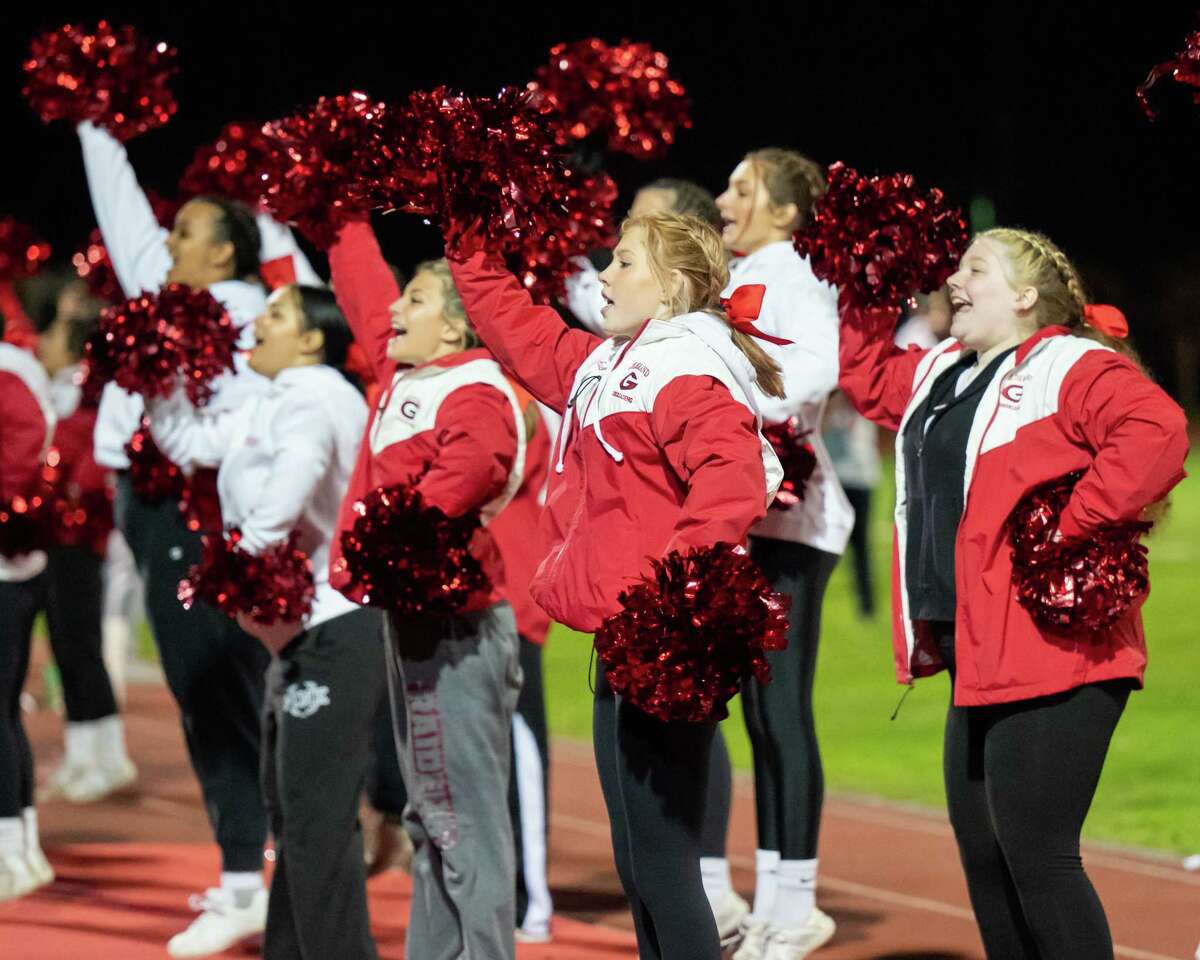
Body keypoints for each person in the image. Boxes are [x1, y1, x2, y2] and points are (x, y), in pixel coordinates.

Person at [838, 227, 1188, 959]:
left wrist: (1074, 520)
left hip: (1055, 651)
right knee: (987, 859)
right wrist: (867, 288)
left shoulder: (1070, 363)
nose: (954, 280)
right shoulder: (943, 370)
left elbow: (1157, 428)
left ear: (1026, 296)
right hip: (978, 650)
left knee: (1039, 859)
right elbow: (867, 378)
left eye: (976, 269)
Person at [449, 210, 785, 960]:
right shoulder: (612, 361)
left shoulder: (686, 366)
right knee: (640, 863)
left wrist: (673, 603)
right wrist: (468, 237)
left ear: (673, 286)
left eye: (625, 262)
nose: (604, 275)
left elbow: (728, 483)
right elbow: (519, 329)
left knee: (664, 864)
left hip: (663, 635)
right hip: (624, 632)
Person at [77, 119, 308, 955]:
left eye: (185, 233)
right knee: (224, 694)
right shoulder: (184, 298)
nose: (165, 242)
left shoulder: (235, 312)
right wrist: (92, 123)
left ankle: (250, 879)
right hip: (162, 507)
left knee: (216, 692)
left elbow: (236, 432)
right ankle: (261, 870)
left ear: (225, 252)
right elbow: (124, 221)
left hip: (196, 515)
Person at [147, 283, 378, 960]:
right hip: (301, 633)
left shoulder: (315, 395)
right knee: (293, 812)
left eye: (276, 315)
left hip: (336, 625)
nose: (257, 325)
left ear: (311, 339)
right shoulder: (270, 398)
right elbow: (189, 442)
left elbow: (293, 484)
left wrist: (243, 558)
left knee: (313, 816)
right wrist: (155, 381)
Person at [327, 220, 526, 960]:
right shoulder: (413, 378)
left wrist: (390, 543)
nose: (393, 311)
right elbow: (363, 289)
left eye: (414, 300)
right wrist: (339, 217)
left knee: (462, 820)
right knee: (429, 815)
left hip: (456, 626)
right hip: (416, 616)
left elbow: (465, 476)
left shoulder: (473, 390)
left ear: (454, 325)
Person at [714, 149, 852, 960]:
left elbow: (817, 370)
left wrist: (726, 405)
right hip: (758, 522)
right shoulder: (744, 273)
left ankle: (796, 903)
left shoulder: (795, 273)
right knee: (761, 717)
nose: (724, 199)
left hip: (796, 521)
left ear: (788, 212)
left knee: (781, 711)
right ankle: (772, 902)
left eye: (743, 188)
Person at [25, 269, 137, 803]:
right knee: (68, 647)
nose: (41, 344)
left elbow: (88, 455)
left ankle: (107, 756)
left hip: (76, 532)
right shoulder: (63, 387)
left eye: (50, 336)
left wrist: (63, 489)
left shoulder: (81, 389)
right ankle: (84, 753)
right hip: (59, 530)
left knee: (80, 645)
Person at [0, 314, 57, 902]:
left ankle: (11, 852)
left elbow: (21, 454)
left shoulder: (6, 372)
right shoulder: (15, 368)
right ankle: (21, 845)